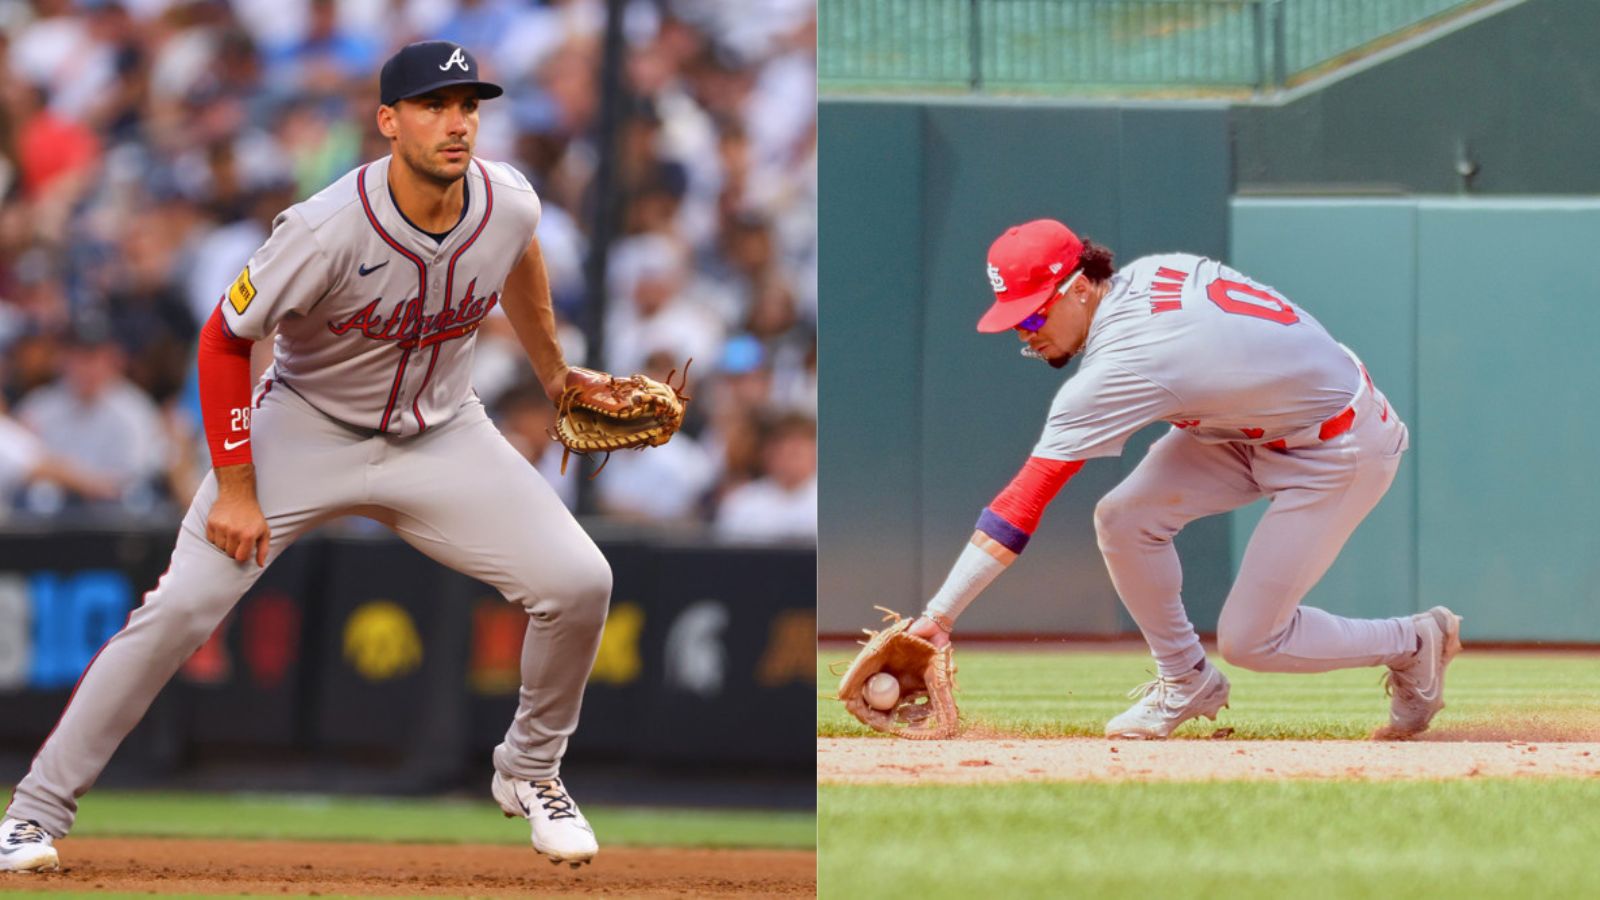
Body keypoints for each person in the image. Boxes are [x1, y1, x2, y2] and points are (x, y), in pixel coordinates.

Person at [1, 41, 610, 873]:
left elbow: (520, 258)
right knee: (178, 610)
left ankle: (531, 770)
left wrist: (555, 376)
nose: (456, 122)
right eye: (434, 105)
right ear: (388, 122)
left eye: (469, 105)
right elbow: (224, 339)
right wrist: (238, 486)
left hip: (443, 433)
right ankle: (32, 813)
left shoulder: (507, 201)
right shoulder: (327, 226)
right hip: (307, 428)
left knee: (580, 583)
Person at [906, 218, 1461, 741]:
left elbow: (1024, 502)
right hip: (1248, 427)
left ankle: (1413, 641)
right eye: (1014, 320)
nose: (1026, 335)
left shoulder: (1124, 363)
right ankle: (1185, 679)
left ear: (1079, 288)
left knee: (1251, 641)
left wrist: (939, 616)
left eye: (1032, 316)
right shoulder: (1151, 270)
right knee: (1124, 518)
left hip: (1337, 447)